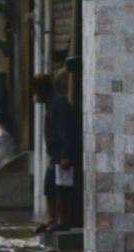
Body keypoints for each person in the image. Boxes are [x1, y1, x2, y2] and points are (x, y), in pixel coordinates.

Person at [31, 74, 79, 233]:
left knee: (61, 190)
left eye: (36, 91)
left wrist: (66, 156)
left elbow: (66, 131)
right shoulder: (50, 104)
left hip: (62, 155)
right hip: (54, 155)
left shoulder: (59, 103)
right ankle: (52, 219)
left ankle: (62, 220)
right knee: (49, 187)